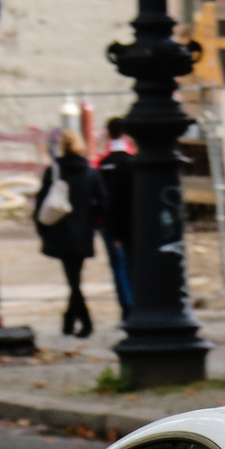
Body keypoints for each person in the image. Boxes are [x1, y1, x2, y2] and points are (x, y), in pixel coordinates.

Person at [34, 130, 108, 338]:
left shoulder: (54, 172)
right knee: (75, 277)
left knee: (72, 278)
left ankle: (82, 321)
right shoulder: (92, 173)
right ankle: (72, 320)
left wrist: (42, 230)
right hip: (83, 231)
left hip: (60, 230)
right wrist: (92, 219)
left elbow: (41, 204)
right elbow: (104, 203)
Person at [97, 119, 137, 313]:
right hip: (132, 222)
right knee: (133, 266)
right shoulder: (133, 163)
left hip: (110, 224)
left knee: (118, 268)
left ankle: (126, 309)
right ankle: (136, 306)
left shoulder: (104, 164)